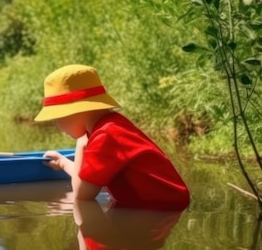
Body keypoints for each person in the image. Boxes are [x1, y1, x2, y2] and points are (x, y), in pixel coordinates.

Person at [35, 64, 190, 211]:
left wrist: (81, 143)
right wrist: (63, 163)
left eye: (57, 118)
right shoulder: (109, 126)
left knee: (90, 233)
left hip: (162, 209)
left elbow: (82, 194)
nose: (57, 125)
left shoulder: (105, 136)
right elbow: (87, 179)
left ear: (75, 111)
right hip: (155, 205)